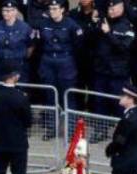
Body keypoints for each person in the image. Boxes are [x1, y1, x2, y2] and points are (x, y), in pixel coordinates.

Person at [37, 0, 83, 132]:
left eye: (55, 8)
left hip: (65, 61)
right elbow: (40, 43)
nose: (52, 11)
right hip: (48, 61)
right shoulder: (43, 24)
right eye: (50, 8)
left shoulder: (71, 25)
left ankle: (70, 129)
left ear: (62, 9)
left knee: (68, 96)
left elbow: (79, 45)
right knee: (50, 95)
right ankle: (51, 129)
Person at [92, 0, 135, 133]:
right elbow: (90, 40)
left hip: (118, 72)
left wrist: (108, 33)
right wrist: (94, 25)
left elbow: (123, 48)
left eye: (114, 8)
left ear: (121, 7)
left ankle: (122, 131)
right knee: (100, 101)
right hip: (101, 70)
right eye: (109, 9)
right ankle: (101, 129)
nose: (111, 11)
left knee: (119, 103)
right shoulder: (103, 22)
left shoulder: (127, 26)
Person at [0, 0, 33, 80]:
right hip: (1, 64)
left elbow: (30, 47)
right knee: (2, 90)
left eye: (8, 11)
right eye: (3, 10)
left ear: (15, 12)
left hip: (19, 65)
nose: (5, 13)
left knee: (20, 90)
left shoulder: (25, 28)